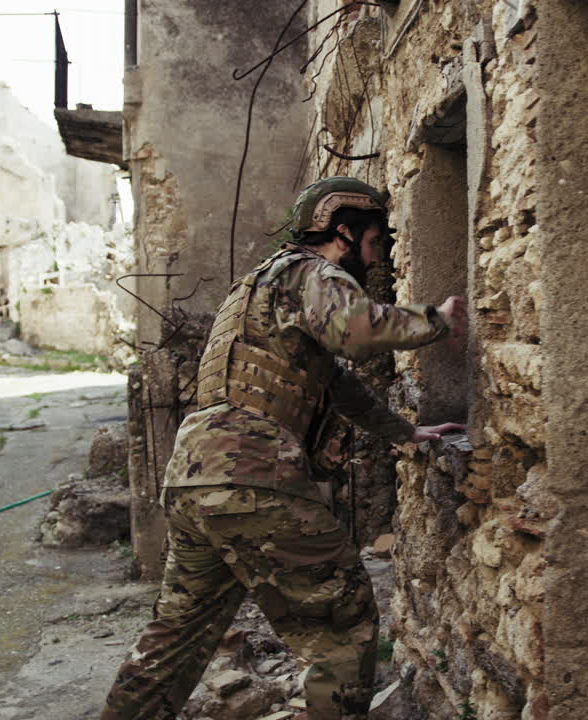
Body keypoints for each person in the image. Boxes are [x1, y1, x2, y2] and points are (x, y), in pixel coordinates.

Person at [101, 177, 467, 720]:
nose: (378, 255)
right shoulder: (310, 273)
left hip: (193, 481)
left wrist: (402, 432)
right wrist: (436, 319)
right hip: (251, 476)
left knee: (177, 634)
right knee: (343, 626)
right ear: (342, 229)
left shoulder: (255, 290)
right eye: (372, 241)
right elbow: (356, 330)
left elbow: (332, 383)